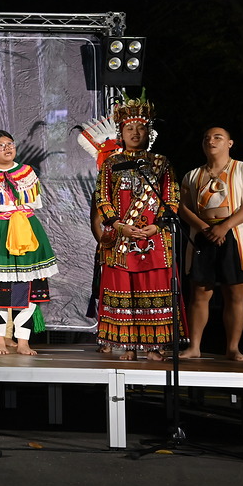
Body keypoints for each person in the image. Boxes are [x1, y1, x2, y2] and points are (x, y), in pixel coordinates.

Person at [94, 98, 183, 360]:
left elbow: (172, 198)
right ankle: (129, 346)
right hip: (121, 239)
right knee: (126, 290)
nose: (135, 133)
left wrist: (157, 226)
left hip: (154, 238)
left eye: (141, 128)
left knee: (151, 289)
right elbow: (102, 198)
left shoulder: (161, 163)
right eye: (129, 128)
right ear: (121, 133)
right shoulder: (111, 164)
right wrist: (118, 225)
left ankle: (154, 346)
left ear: (148, 132)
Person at [0, 131, 58, 356]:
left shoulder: (27, 173)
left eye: (10, 144)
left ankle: (23, 341)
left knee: (29, 286)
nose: (7, 148)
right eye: (1, 145)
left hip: (26, 231)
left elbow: (34, 204)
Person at [178, 127, 243, 361]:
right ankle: (194, 347)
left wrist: (224, 227)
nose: (211, 141)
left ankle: (233, 348)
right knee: (199, 293)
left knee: (234, 294)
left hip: (233, 235)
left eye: (218, 137)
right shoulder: (193, 175)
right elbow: (183, 208)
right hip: (203, 236)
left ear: (230, 143)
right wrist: (205, 228)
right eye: (207, 138)